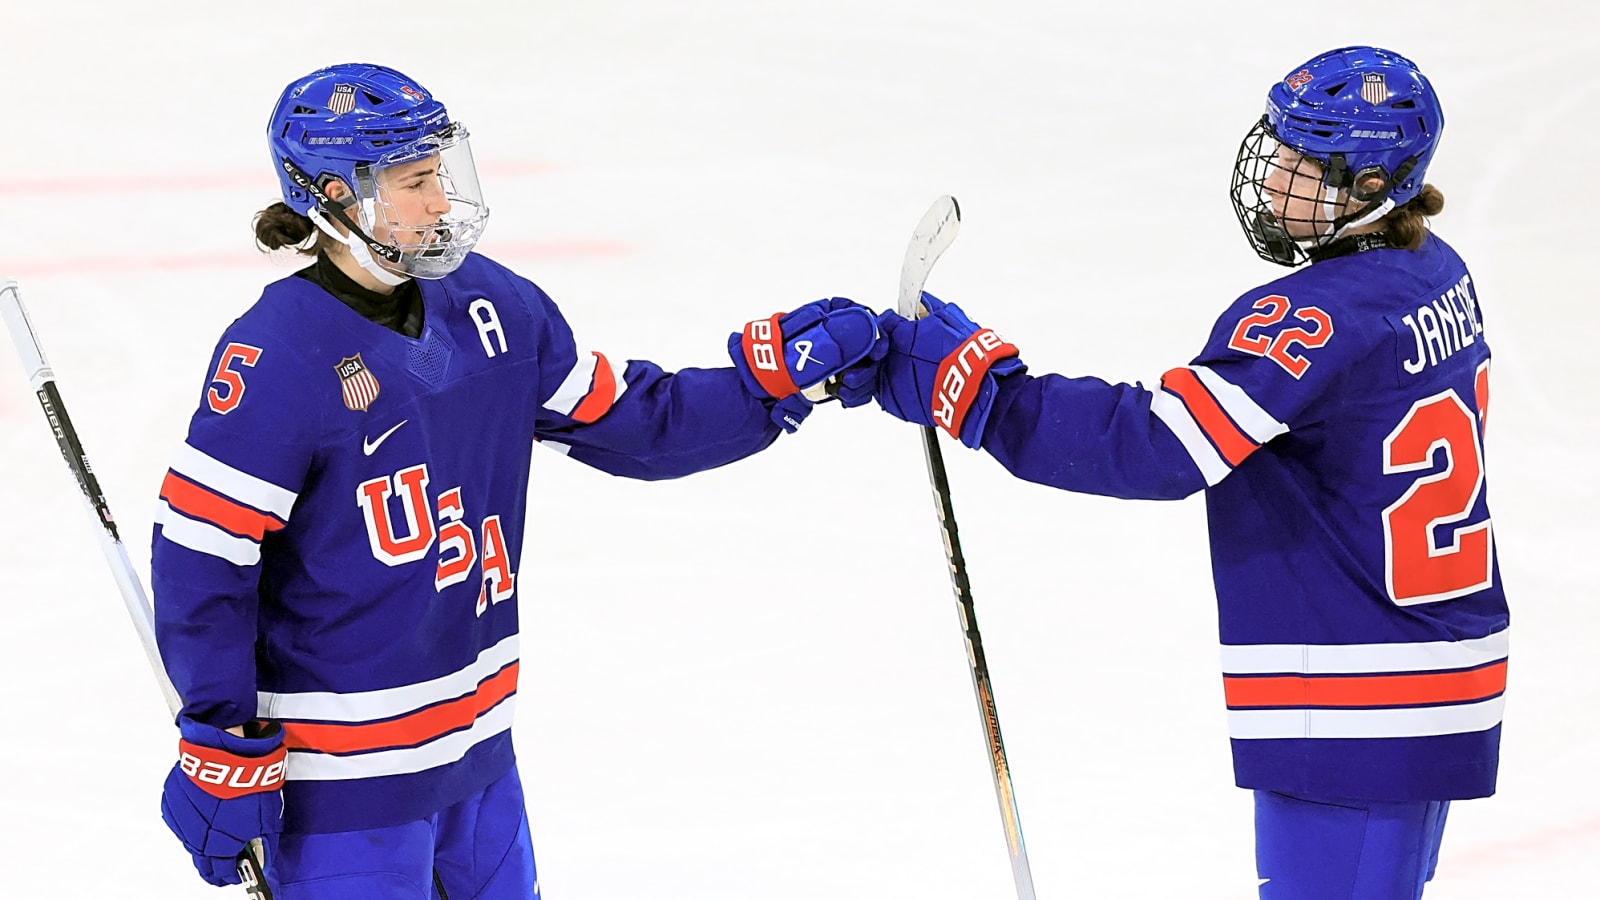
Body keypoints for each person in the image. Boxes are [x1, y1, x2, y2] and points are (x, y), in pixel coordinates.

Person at [152, 62, 882, 899]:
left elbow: (637, 422)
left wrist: (773, 385)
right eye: (414, 181)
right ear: (335, 195)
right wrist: (219, 733)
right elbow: (203, 556)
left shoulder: (496, 307)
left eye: (441, 171)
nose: (441, 201)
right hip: (341, 789)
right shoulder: (275, 355)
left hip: (478, 762)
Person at [870, 46, 1506, 899]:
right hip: (1427, 669)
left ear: (1368, 187)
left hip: (1362, 701)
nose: (1274, 177)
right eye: (1278, 150)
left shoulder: (1318, 319)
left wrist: (978, 390)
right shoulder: (1434, 272)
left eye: (1305, 163)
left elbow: (1160, 447)